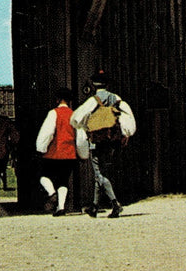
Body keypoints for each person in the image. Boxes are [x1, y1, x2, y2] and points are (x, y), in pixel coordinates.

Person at [70, 70, 136, 218]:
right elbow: (128, 118)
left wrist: (84, 127)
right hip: (111, 141)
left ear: (94, 85)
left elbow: (76, 119)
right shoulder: (116, 99)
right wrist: (126, 134)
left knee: (99, 174)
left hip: (97, 141)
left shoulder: (93, 101)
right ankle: (94, 207)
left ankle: (115, 204)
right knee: (100, 173)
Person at [35, 87, 78, 216]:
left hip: (55, 152)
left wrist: (41, 148)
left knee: (43, 176)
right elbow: (80, 136)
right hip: (70, 153)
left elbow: (47, 132)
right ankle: (61, 207)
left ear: (58, 99)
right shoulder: (74, 115)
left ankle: (52, 193)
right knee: (63, 180)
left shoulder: (53, 113)